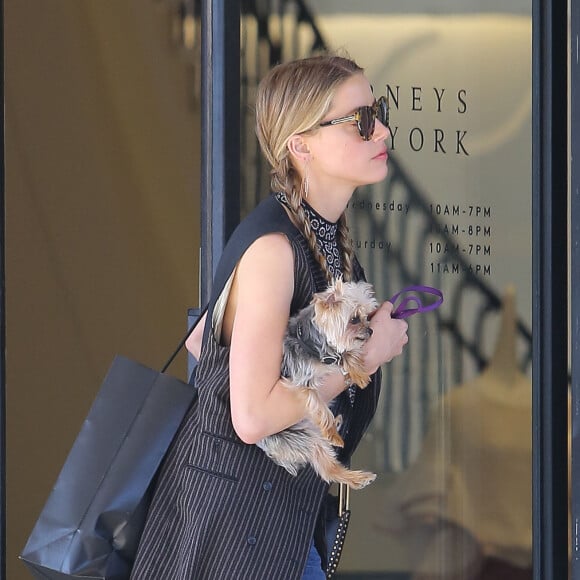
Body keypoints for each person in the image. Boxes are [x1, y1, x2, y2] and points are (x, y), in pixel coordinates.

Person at [130, 53, 409, 580]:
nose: (382, 130)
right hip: (232, 538)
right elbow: (252, 415)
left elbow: (202, 344)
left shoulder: (327, 244)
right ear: (300, 145)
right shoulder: (276, 248)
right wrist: (365, 358)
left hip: (270, 529)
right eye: (362, 121)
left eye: (379, 111)